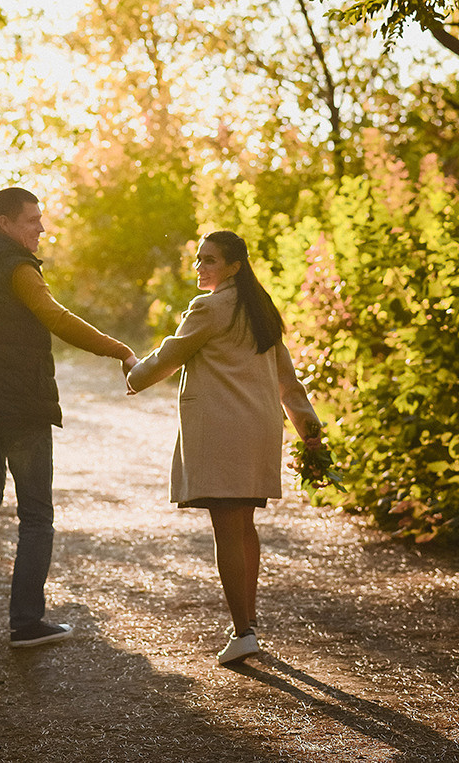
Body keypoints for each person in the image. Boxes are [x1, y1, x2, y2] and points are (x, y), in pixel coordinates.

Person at [0, 186, 136, 648]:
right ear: (4, 223)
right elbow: (54, 317)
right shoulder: (17, 268)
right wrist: (118, 349)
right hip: (20, 407)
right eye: (31, 220)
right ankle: (25, 622)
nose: (41, 228)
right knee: (36, 515)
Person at [126, 229, 323, 666]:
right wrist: (308, 423)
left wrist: (133, 373)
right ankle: (247, 624)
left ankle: (243, 630)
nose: (200, 267)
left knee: (228, 531)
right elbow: (287, 381)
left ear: (234, 266)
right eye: (199, 259)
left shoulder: (209, 307)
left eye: (210, 260)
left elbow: (169, 355)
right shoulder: (259, 308)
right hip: (257, 432)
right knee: (243, 527)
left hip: (222, 434)